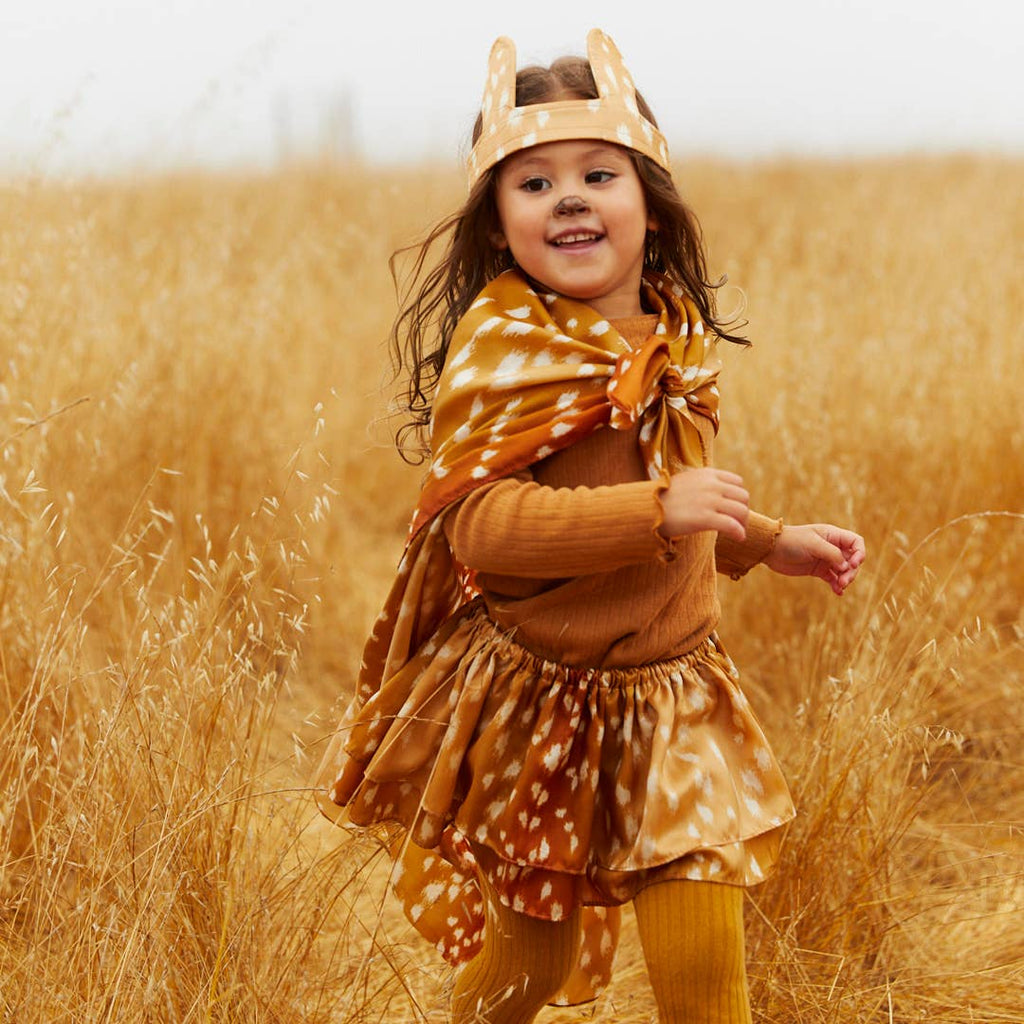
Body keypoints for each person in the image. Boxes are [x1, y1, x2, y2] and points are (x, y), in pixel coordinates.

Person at [314, 28, 865, 1024]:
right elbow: (480, 526)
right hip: (544, 704)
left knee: (704, 971)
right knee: (523, 972)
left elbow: (683, 492)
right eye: (531, 184)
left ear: (648, 205)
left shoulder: (672, 335)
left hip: (676, 698)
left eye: (596, 173)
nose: (567, 197)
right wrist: (655, 511)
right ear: (498, 226)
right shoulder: (506, 349)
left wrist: (767, 539)